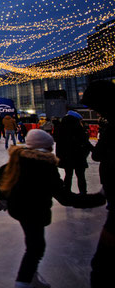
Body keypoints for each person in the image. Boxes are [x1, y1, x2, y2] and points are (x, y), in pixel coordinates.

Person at [0, 129, 105, 288]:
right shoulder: (44, 166)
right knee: (36, 248)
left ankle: (31, 277)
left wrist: (3, 198)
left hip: (18, 209)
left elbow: (1, 177)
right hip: (34, 211)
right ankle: (23, 282)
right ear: (47, 147)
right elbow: (66, 198)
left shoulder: (16, 160)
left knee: (33, 244)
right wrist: (99, 198)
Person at [80, 80, 115, 287]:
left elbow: (100, 154)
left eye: (95, 107)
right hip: (112, 196)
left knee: (103, 266)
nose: (94, 111)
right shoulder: (110, 125)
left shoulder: (112, 127)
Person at [55, 110, 93, 195]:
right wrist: (93, 150)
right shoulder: (77, 127)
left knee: (68, 175)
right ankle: (83, 192)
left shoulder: (60, 127)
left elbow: (57, 142)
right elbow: (85, 141)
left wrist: (60, 157)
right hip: (78, 156)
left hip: (66, 157)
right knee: (81, 176)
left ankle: (66, 192)